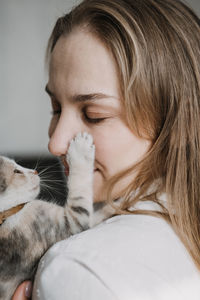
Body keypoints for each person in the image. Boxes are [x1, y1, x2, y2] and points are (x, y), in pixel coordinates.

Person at [13, 0, 200, 299]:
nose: (56, 143)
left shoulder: (76, 269)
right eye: (55, 108)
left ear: (183, 122)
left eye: (93, 115)